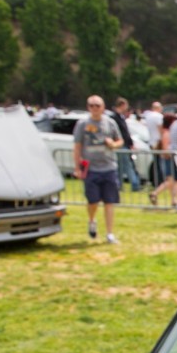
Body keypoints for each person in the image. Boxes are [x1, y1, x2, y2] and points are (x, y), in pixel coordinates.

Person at [72, 95, 123, 244]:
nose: (95, 108)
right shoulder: (82, 124)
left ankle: (110, 234)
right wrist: (77, 167)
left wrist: (113, 144)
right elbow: (77, 146)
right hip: (91, 169)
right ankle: (92, 220)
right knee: (93, 201)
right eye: (91, 105)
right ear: (88, 107)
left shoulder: (110, 123)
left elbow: (120, 141)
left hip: (109, 167)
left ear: (103, 107)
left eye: (97, 105)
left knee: (109, 202)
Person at [111, 97, 141, 193]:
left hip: (123, 144)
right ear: (122, 105)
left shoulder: (120, 117)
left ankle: (119, 185)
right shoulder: (115, 117)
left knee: (121, 166)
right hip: (121, 145)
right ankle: (135, 184)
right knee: (127, 165)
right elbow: (123, 133)